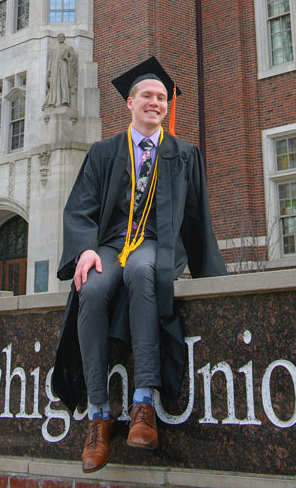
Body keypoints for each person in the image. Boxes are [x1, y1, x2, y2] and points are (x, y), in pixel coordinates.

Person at [52, 56, 226, 473]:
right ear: (130, 103)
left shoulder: (184, 154)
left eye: (162, 98)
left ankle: (144, 403)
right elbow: (80, 208)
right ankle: (98, 415)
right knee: (91, 286)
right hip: (109, 244)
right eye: (147, 96)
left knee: (141, 271)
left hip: (155, 243)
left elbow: (197, 219)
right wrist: (84, 250)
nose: (155, 103)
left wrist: (215, 281)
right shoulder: (104, 152)